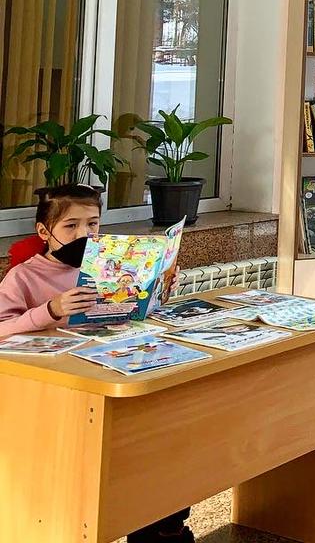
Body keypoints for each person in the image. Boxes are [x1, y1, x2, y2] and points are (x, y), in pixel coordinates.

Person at [0, 184, 193, 543]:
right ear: (44, 231)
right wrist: (50, 310)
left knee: (161, 440)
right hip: (62, 394)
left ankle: (164, 525)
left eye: (92, 224)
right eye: (71, 225)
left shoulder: (110, 266)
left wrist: (160, 288)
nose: (84, 234)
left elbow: (131, 312)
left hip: (115, 370)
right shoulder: (24, 276)